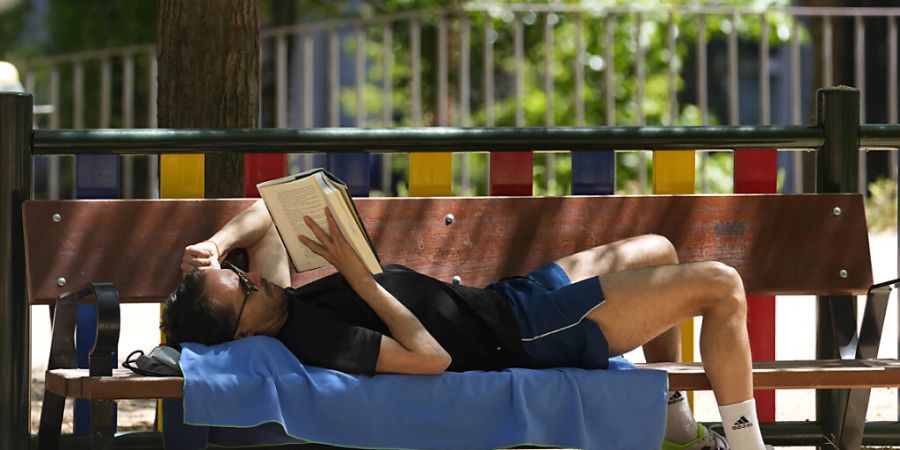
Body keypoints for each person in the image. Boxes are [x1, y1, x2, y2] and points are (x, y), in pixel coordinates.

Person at [163, 199, 772, 450]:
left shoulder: (278, 304)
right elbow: (431, 360)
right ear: (243, 334)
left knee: (662, 249)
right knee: (721, 287)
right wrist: (359, 275)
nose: (253, 277)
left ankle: (666, 419)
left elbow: (271, 214)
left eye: (242, 274)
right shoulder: (314, 336)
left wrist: (214, 247)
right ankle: (744, 443)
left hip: (513, 298)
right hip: (530, 333)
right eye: (242, 286)